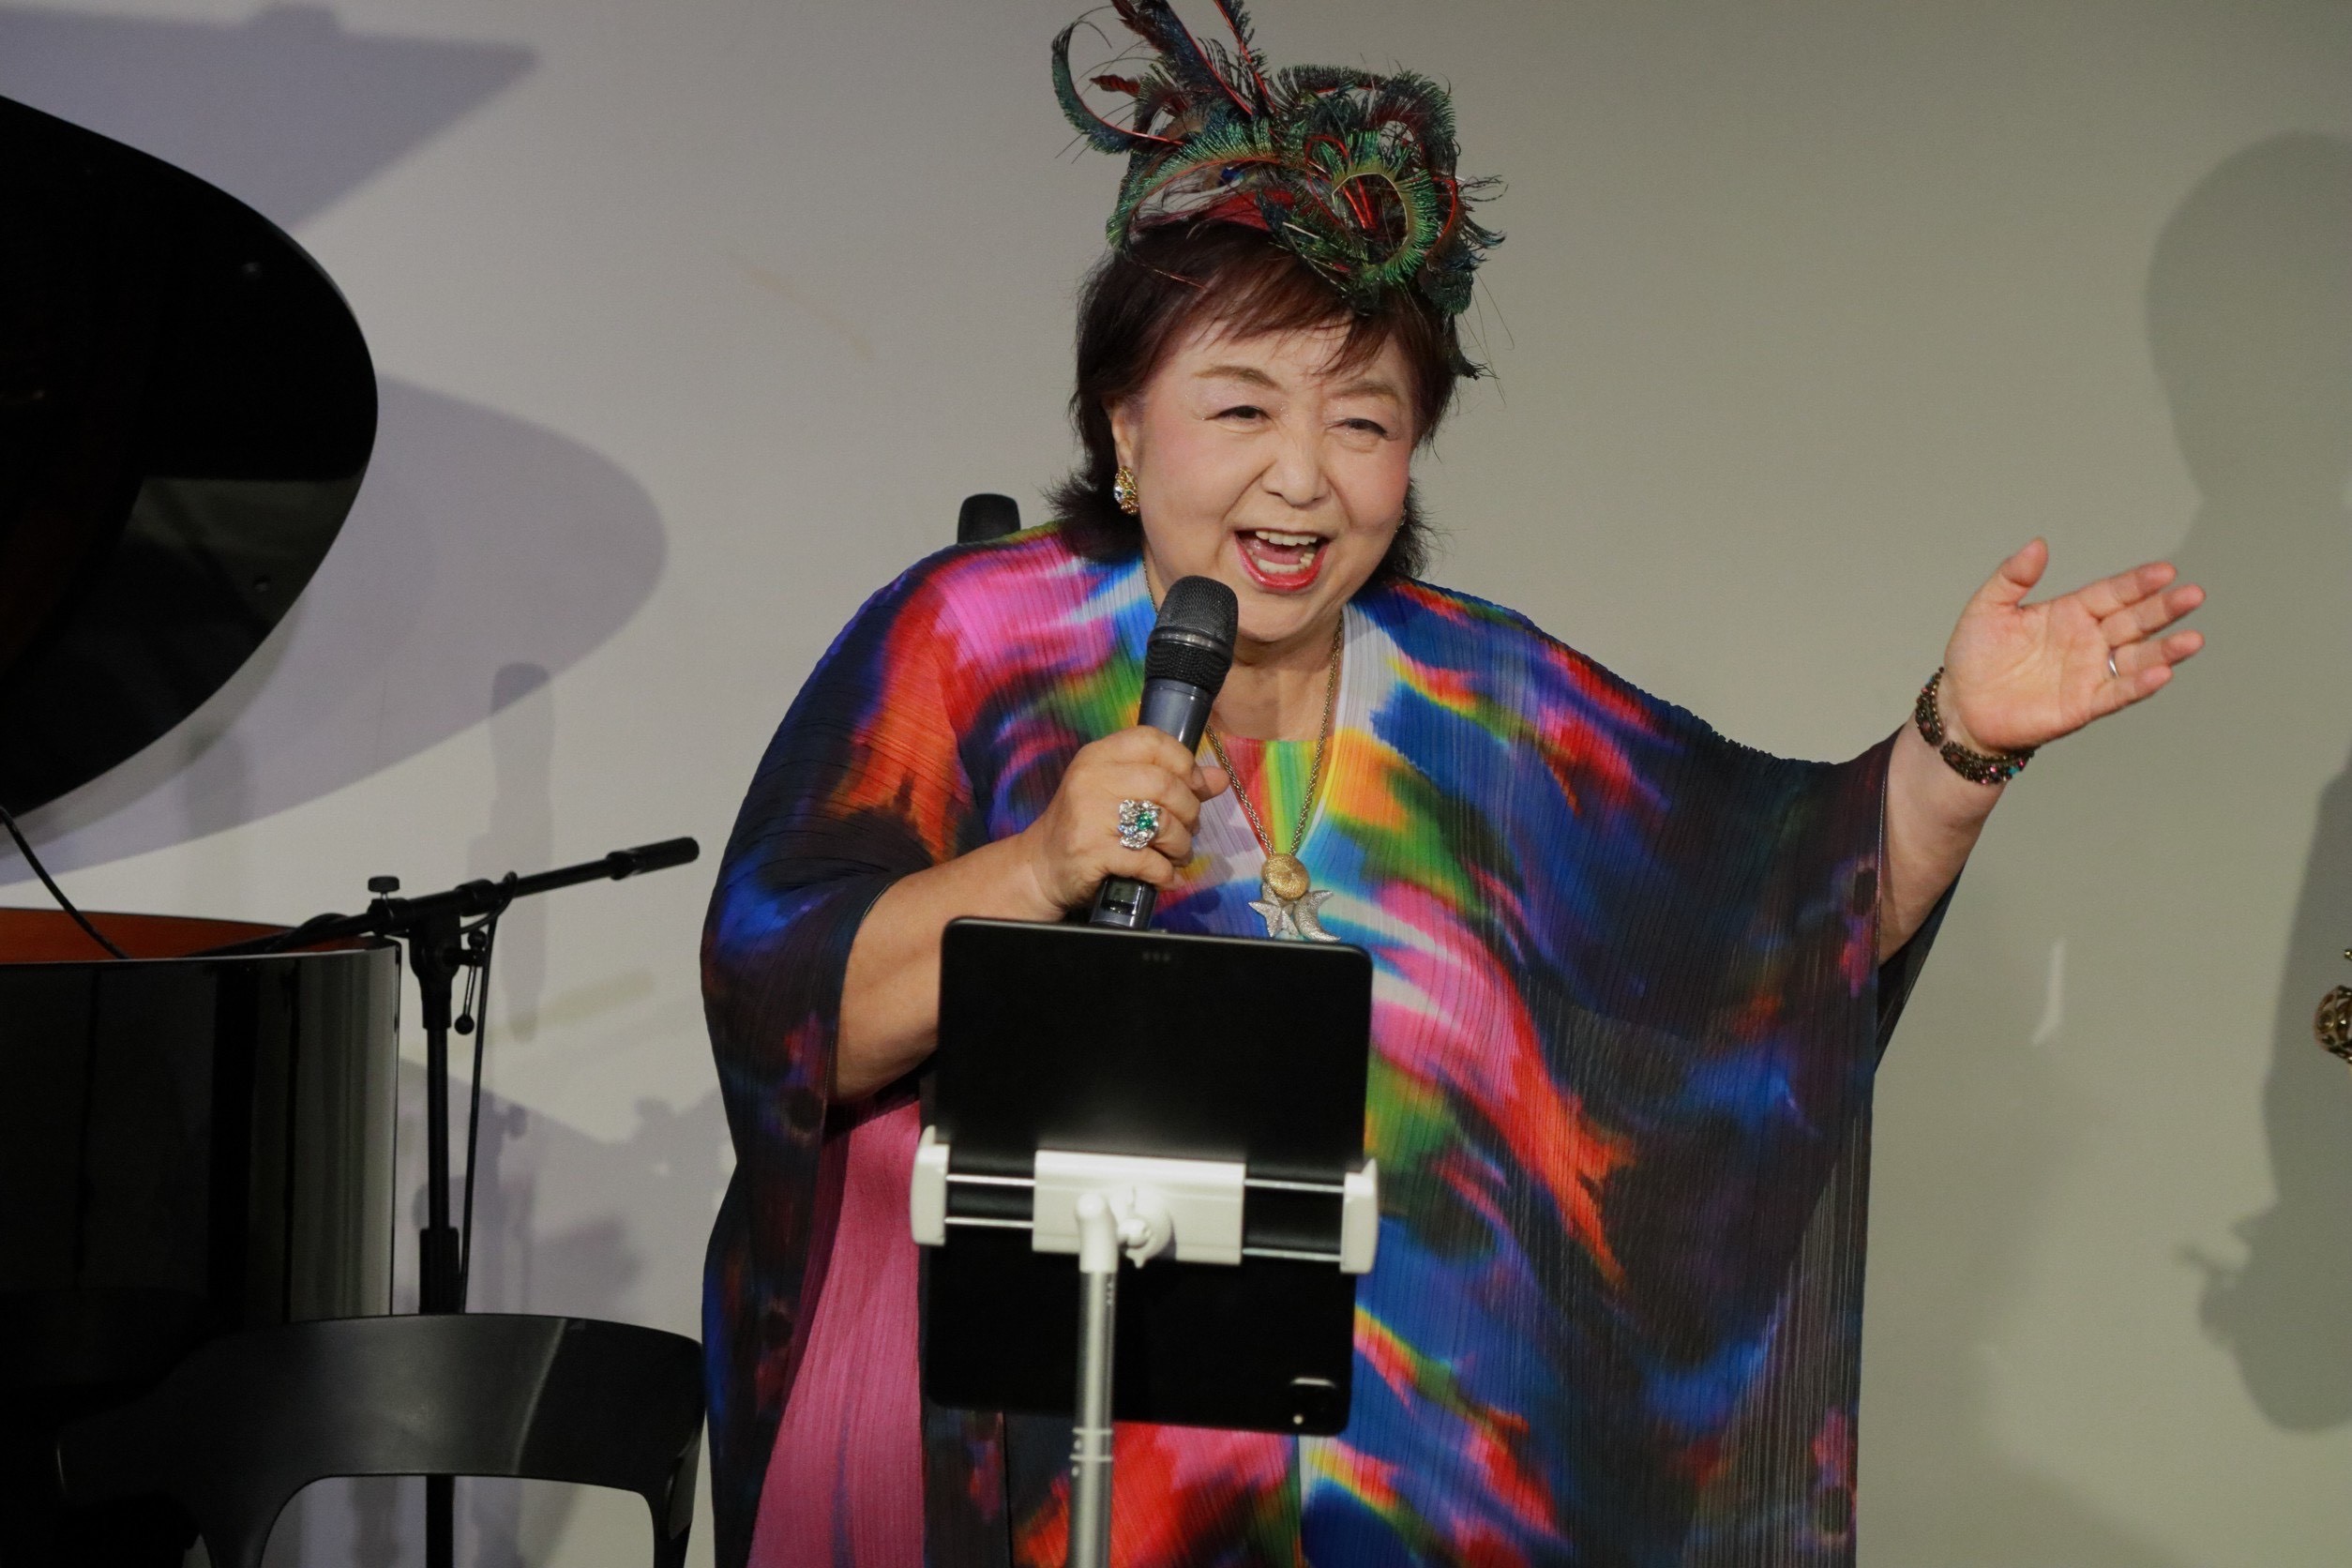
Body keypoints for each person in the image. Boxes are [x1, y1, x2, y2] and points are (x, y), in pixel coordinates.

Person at [701, 5, 2205, 1564]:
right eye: (1242, 407)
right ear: (1125, 424)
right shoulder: (979, 637)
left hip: (1412, 1504)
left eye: (1363, 421)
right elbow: (782, 1003)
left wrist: (1962, 740)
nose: (1302, 476)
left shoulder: (1485, 698)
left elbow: (1780, 923)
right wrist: (1032, 871)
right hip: (1043, 1484)